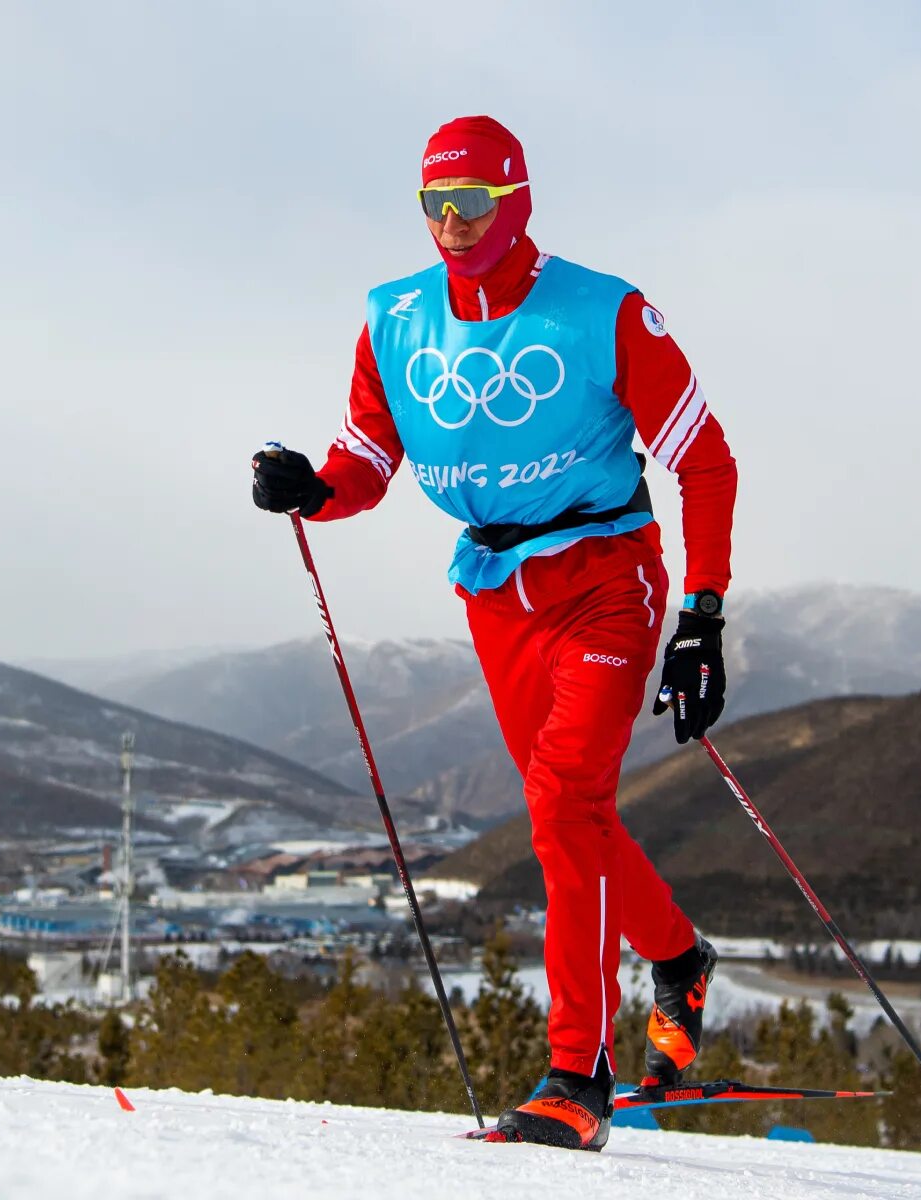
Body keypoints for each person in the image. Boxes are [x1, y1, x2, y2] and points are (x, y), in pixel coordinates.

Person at [251, 115, 738, 1150]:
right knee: (573, 817)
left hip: (606, 574)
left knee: (565, 799)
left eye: (471, 204)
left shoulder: (605, 312)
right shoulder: (394, 320)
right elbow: (366, 459)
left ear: (516, 202)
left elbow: (705, 462)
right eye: (434, 205)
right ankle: (681, 959)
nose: (451, 225)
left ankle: (576, 1076)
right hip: (493, 587)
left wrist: (703, 614)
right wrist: (313, 490)